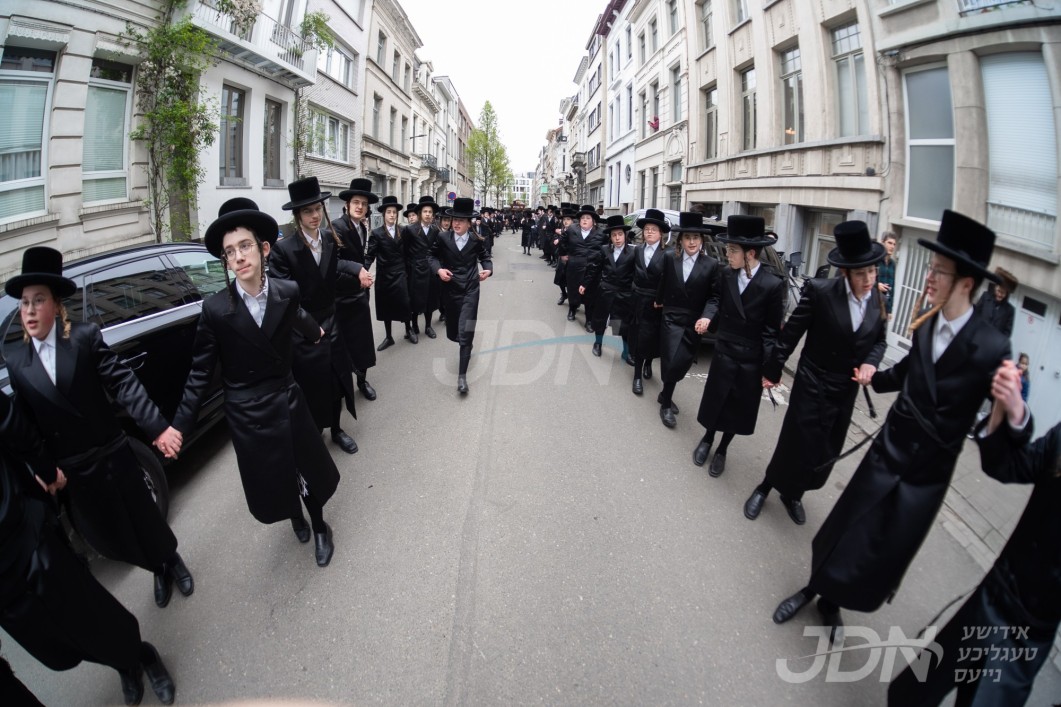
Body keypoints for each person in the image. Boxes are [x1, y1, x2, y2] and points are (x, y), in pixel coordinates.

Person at [772, 210, 1011, 646]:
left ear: (966, 283)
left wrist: (1009, 410)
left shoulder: (993, 347)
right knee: (844, 526)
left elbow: (999, 445)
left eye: (938, 271)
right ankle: (812, 588)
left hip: (925, 476)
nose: (929, 278)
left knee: (878, 553)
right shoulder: (929, 323)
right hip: (888, 449)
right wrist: (871, 378)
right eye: (932, 268)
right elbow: (905, 373)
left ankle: (833, 602)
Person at [4, 247, 194, 609]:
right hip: (75, 472)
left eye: (38, 300)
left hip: (112, 454)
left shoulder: (84, 338)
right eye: (24, 303)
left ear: (56, 304)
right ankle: (155, 564)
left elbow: (123, 383)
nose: (28, 310)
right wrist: (43, 469)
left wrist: (157, 428)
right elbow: (26, 424)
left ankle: (170, 561)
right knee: (112, 535)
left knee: (144, 518)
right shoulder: (16, 362)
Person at [173, 198, 340, 567]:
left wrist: (316, 332)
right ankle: (294, 516)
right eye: (230, 252)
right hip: (248, 411)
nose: (238, 257)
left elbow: (297, 315)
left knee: (307, 466)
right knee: (276, 473)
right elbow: (200, 372)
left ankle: (319, 525)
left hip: (286, 396)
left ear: (264, 249)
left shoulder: (286, 290)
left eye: (244, 246)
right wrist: (179, 427)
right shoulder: (216, 310)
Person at [888, 360, 1057, 707]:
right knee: (912, 692)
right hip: (991, 600)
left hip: (1030, 637)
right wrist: (1008, 408)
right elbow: (1006, 466)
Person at [0, 391, 176, 706]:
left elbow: (12, 424)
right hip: (4, 590)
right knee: (57, 646)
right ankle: (123, 663)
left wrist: (45, 471)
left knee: (88, 612)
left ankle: (140, 654)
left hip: (23, 539)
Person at [744, 220, 887, 526]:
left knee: (824, 450)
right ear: (846, 272)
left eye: (872, 271)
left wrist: (871, 363)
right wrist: (772, 370)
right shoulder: (821, 292)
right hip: (813, 382)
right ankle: (766, 486)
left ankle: (793, 493)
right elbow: (790, 334)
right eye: (861, 273)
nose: (868, 279)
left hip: (844, 391)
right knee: (795, 443)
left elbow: (879, 341)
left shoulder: (877, 298)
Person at [270, 177, 359, 455]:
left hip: (331, 321)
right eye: (307, 211)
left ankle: (337, 429)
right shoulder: (283, 250)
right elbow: (284, 299)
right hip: (303, 330)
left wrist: (358, 275)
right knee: (311, 385)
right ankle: (315, 431)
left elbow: (331, 276)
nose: (315, 215)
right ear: (297, 215)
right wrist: (309, 328)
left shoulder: (330, 240)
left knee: (336, 379)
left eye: (318, 209)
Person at [692, 215, 785, 475]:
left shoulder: (772, 285)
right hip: (725, 350)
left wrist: (771, 369)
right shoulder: (726, 274)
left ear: (750, 253)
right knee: (716, 400)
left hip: (750, 359)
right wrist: (708, 319)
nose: (727, 254)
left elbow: (771, 332)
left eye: (732, 250)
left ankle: (722, 449)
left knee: (736, 408)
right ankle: (708, 438)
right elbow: (718, 303)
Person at [654, 212, 722, 429]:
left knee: (682, 362)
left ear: (701, 240)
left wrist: (707, 317)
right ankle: (666, 403)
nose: (692, 242)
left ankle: (665, 392)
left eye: (696, 237)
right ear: (680, 240)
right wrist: (658, 301)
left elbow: (715, 297)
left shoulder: (711, 264)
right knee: (671, 359)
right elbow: (663, 282)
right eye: (687, 237)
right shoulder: (669, 258)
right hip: (671, 317)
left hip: (694, 322)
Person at [429, 197, 493, 394]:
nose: (456, 223)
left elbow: (485, 257)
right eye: (454, 219)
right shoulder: (443, 238)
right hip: (451, 290)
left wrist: (488, 269)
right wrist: (439, 270)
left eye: (461, 220)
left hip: (471, 289)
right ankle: (466, 344)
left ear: (469, 223)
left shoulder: (476, 240)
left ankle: (462, 377)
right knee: (455, 332)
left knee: (466, 331)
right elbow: (431, 256)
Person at [331, 177, 379, 401]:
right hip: (342, 297)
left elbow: (362, 256)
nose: (360, 206)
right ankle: (342, 385)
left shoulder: (362, 227)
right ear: (347, 204)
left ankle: (362, 381)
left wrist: (365, 273)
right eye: (356, 202)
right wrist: (358, 272)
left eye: (364, 204)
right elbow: (332, 263)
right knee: (342, 344)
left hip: (360, 294)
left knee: (362, 343)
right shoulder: (337, 227)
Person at [580, 214, 636, 361]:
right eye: (614, 235)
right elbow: (594, 268)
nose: (617, 238)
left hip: (623, 294)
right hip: (605, 291)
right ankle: (598, 343)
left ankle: (626, 351)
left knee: (621, 324)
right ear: (610, 237)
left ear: (625, 235)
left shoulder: (633, 252)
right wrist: (585, 284)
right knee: (601, 320)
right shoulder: (605, 250)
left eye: (620, 234)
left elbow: (637, 275)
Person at [629, 209, 671, 396]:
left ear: (661, 233)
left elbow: (670, 281)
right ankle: (637, 375)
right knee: (638, 337)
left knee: (652, 338)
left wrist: (662, 300)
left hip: (656, 303)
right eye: (647, 229)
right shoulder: (637, 250)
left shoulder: (668, 254)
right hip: (638, 300)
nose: (650, 232)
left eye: (654, 229)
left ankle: (648, 362)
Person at [366, 195, 416, 349]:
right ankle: (389, 337)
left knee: (405, 303)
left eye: (394, 212)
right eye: (389, 212)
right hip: (384, 276)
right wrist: (362, 270)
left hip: (401, 273)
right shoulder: (376, 233)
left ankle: (408, 330)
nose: (392, 215)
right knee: (385, 306)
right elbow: (370, 255)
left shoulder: (403, 231)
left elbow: (409, 252)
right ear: (384, 214)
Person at [558, 204, 605, 330]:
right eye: (582, 218)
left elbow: (606, 249)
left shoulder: (601, 233)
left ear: (593, 221)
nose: (584, 220)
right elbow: (563, 241)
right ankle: (572, 309)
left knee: (591, 295)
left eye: (588, 218)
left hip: (592, 270)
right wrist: (563, 254)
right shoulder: (572, 229)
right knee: (573, 291)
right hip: (574, 267)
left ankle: (589, 320)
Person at [404, 195, 442, 340]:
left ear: (433, 215)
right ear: (420, 213)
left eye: (430, 212)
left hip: (430, 270)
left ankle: (428, 326)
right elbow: (405, 252)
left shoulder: (435, 230)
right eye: (425, 211)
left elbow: (437, 251)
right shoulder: (410, 229)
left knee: (430, 299)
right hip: (415, 270)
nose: (427, 214)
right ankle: (414, 325)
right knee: (415, 299)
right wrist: (408, 270)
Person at [974, 266, 1018, 337]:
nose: (1000, 295)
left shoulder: (1010, 310)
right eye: (999, 291)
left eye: (1003, 293)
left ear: (1007, 293)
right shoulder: (985, 297)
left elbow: (1007, 334)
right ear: (995, 288)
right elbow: (975, 315)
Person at [553, 206, 575, 304]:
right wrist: (556, 239)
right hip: (561, 257)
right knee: (559, 278)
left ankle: (572, 300)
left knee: (570, 281)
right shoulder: (562, 229)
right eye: (564, 219)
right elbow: (557, 238)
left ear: (572, 221)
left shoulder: (575, 231)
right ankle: (564, 294)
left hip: (571, 258)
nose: (565, 221)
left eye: (568, 219)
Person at [877, 231, 898, 319]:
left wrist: (889, 310)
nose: (892, 246)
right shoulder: (875, 259)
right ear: (882, 242)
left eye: (894, 244)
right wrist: (877, 285)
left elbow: (892, 288)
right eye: (889, 243)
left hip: (885, 306)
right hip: (873, 302)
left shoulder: (893, 264)